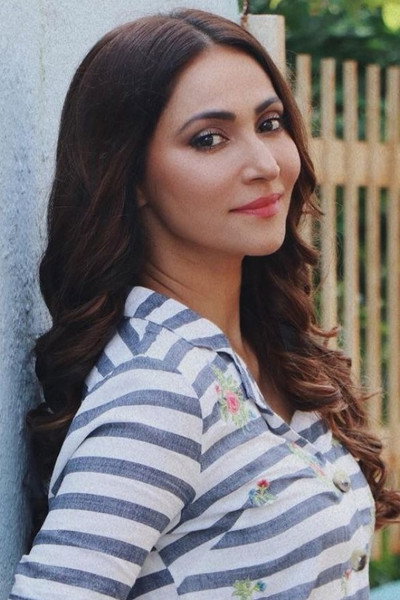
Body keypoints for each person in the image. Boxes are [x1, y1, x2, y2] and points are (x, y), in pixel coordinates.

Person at [9, 8, 400, 600]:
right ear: (131, 176)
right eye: (209, 139)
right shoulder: (160, 391)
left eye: (270, 123)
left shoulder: (262, 353)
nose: (265, 165)